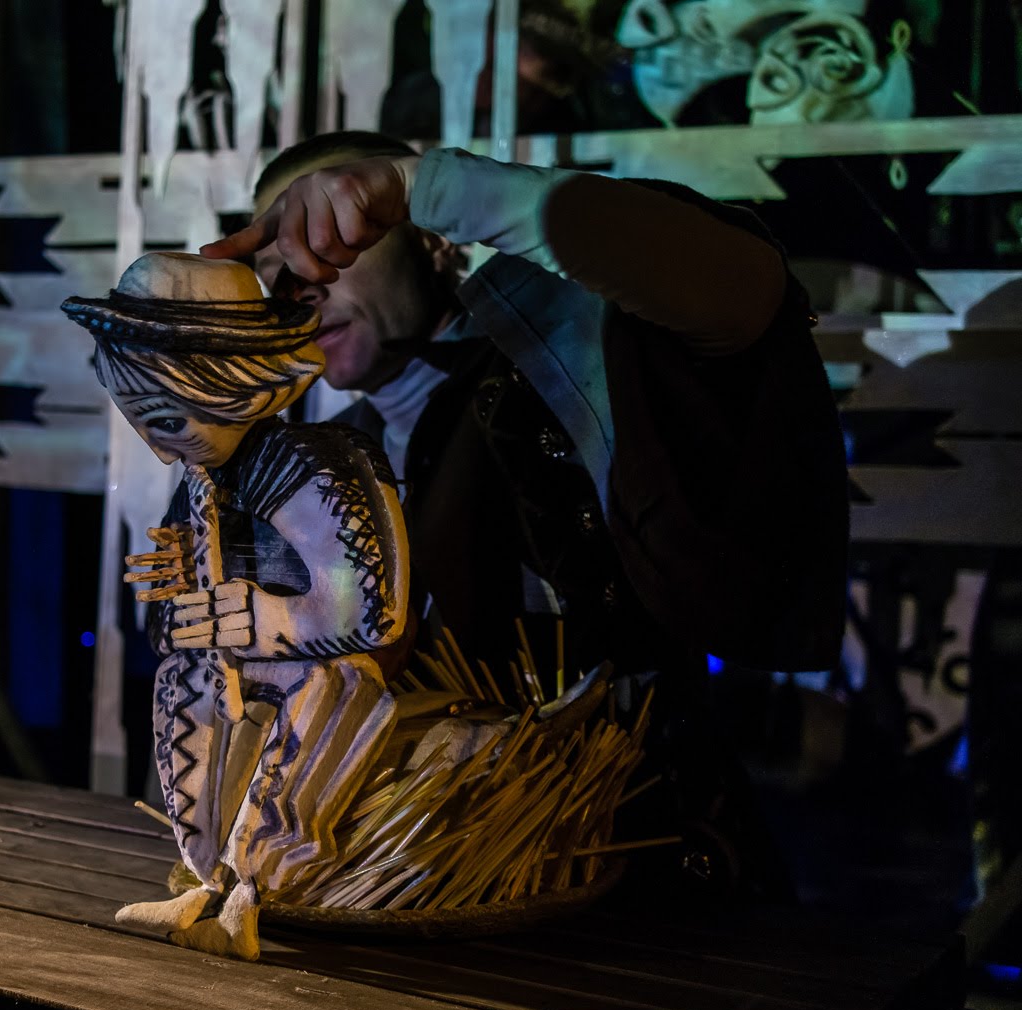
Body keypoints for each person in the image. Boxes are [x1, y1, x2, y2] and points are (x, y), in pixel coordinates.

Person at [200, 133, 850, 897]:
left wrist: (415, 184)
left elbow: (742, 285)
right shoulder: (327, 468)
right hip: (427, 887)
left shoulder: (577, 361)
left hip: (636, 881)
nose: (301, 284)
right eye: (278, 268)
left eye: (334, 239)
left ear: (435, 243)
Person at [63, 251, 411, 958]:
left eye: (170, 422)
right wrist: (182, 607)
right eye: (140, 423)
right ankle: (206, 879)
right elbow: (177, 613)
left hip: (311, 671)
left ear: (235, 388)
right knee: (185, 692)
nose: (162, 454)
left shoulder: (313, 466)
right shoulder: (200, 477)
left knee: (323, 701)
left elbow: (369, 607)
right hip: (231, 669)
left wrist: (261, 618)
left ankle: (252, 890)